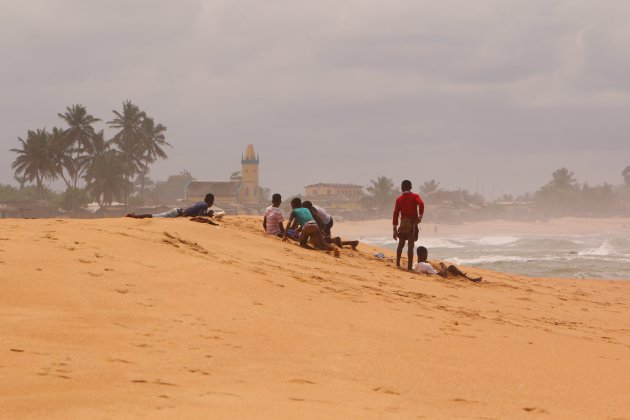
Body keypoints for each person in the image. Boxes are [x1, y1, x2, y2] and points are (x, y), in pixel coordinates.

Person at [393, 180, 424, 270]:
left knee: (400, 245)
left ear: (402, 188)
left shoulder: (399, 199)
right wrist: (420, 216)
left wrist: (394, 229)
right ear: (410, 187)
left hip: (403, 224)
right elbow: (421, 204)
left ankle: (398, 264)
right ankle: (409, 267)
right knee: (410, 246)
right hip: (412, 224)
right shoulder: (415, 197)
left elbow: (395, 214)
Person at [413, 246, 482, 283]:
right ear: (423, 254)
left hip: (433, 271)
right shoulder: (426, 265)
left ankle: (464, 276)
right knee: (451, 267)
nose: (427, 255)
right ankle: (469, 279)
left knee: (449, 267)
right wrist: (444, 267)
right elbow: (440, 274)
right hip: (443, 275)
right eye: (426, 254)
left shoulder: (415, 263)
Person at [126, 194, 215, 219]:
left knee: (155, 216)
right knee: (154, 216)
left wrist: (207, 214)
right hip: (176, 214)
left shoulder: (201, 203)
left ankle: (135, 216)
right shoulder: (205, 205)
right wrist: (208, 215)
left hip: (177, 211)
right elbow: (199, 217)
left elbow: (196, 213)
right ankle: (135, 216)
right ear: (211, 201)